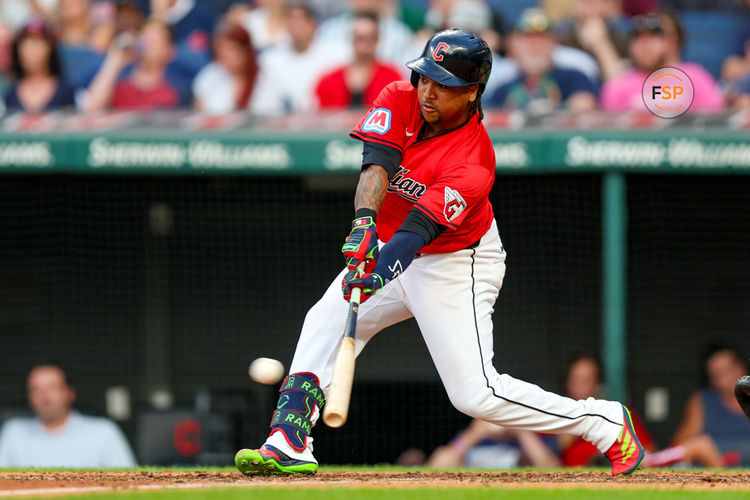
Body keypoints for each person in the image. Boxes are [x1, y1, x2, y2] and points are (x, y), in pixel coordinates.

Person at [234, 29, 644, 477]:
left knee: (475, 395)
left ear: (472, 93)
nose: (427, 91)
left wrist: (379, 270)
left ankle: (603, 421)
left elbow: (419, 230)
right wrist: (364, 223)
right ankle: (289, 439)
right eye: (425, 77)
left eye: (443, 85)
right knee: (324, 320)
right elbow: (377, 167)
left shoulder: (474, 160)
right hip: (388, 244)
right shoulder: (398, 94)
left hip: (455, 260)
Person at [426, 354, 655, 468]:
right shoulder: (484, 424)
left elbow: (550, 466)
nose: (582, 385)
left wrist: (519, 429)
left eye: (588, 379)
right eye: (577, 379)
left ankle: (605, 422)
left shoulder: (541, 425)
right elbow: (435, 466)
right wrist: (476, 433)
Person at [0, 363, 136, 468]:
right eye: (35, 389)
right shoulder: (13, 432)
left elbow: (131, 487)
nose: (44, 396)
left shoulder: (104, 432)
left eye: (52, 387)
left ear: (69, 393)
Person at [600, 13, 723, 112]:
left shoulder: (695, 77)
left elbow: (715, 122)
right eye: (639, 40)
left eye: (652, 39)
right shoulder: (618, 86)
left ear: (666, 43)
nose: (645, 46)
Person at [485, 9, 598, 113]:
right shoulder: (502, 89)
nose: (535, 45)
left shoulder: (574, 78)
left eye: (541, 39)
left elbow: (585, 107)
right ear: (513, 46)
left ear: (554, 43)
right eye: (527, 39)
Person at [250, 1, 347, 115]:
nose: (295, 26)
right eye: (291, 21)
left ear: (313, 24)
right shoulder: (270, 60)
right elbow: (263, 105)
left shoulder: (336, 56)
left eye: (300, 21)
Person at [84, 19, 192, 111]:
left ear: (169, 52)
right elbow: (92, 109)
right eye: (144, 38)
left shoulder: (176, 91)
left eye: (154, 41)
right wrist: (115, 60)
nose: (147, 44)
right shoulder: (119, 83)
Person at [670, 346, 750, 467]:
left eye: (731, 368)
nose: (730, 376)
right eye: (720, 373)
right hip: (714, 474)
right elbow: (680, 447)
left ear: (743, 366)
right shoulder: (702, 401)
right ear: (712, 382)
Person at [314, 12, 401, 109]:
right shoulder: (329, 81)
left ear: (377, 39)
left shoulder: (392, 78)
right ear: (351, 39)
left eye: (369, 37)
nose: (363, 43)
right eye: (359, 38)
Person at [4, 21, 76, 113]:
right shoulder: (9, 93)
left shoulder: (66, 90)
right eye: (25, 45)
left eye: (37, 44)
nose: (31, 51)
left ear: (50, 49)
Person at [553, 0, 630, 81]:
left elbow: (618, 81)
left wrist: (601, 43)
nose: (589, 4)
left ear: (608, 5)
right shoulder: (561, 32)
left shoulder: (623, 32)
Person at [193, 22, 257, 114]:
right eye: (221, 49)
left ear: (246, 50)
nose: (225, 55)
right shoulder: (209, 75)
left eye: (231, 49)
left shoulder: (266, 77)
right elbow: (198, 114)